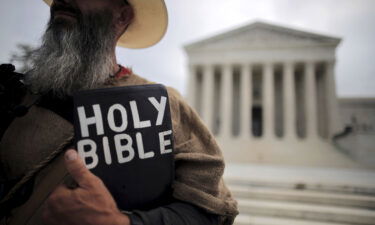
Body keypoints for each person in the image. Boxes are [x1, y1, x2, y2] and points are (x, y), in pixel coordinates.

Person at [0, 0, 238, 224]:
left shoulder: (164, 105)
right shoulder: (19, 93)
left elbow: (211, 211)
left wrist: (121, 222)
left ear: (122, 16)